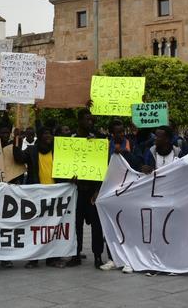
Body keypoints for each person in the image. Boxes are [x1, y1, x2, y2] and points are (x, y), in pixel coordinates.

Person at [13, 127, 62, 269]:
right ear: (39, 136)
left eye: (50, 133)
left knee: (53, 228)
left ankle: (52, 258)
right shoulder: (32, 150)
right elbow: (19, 158)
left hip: (56, 194)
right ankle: (34, 258)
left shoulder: (58, 149)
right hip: (37, 195)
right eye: (46, 133)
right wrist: (17, 141)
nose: (49, 136)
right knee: (36, 227)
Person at [67, 108, 105, 268]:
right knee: (76, 224)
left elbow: (101, 167)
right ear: (80, 121)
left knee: (97, 225)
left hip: (92, 190)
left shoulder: (96, 139)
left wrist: (97, 190)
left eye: (92, 120)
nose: (90, 123)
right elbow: (66, 161)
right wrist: (69, 176)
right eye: (87, 120)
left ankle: (97, 256)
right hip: (77, 189)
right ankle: (76, 254)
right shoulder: (71, 139)